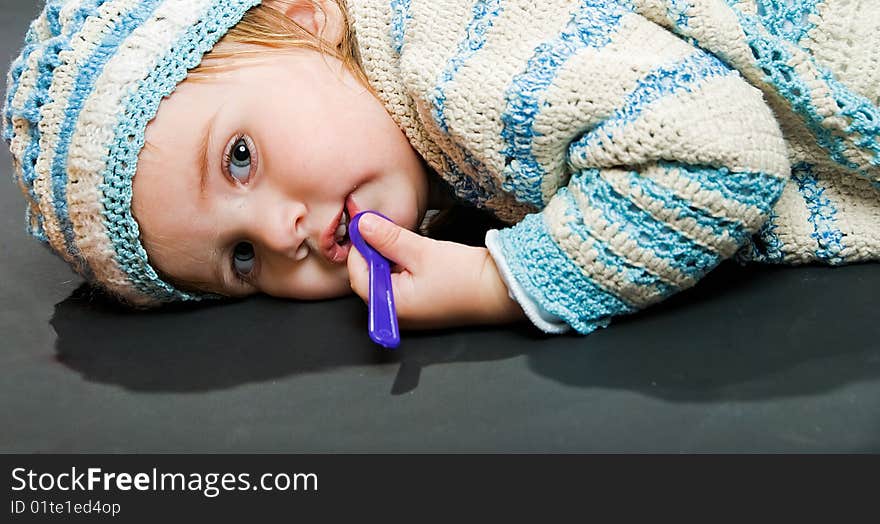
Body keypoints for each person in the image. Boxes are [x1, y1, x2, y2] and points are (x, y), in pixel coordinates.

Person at [4, 0, 878, 336]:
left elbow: (718, 153)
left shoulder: (450, 58)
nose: (281, 234)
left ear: (306, 17)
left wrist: (506, 279)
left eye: (239, 160)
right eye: (241, 262)